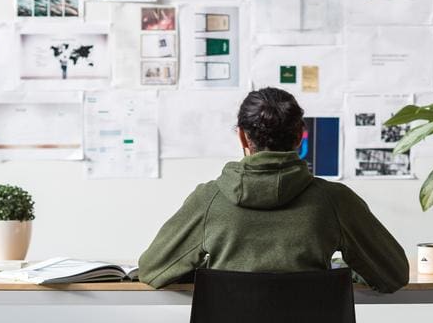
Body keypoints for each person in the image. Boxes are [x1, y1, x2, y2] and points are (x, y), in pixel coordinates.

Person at [138, 87, 409, 293]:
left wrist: (211, 272)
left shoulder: (209, 199)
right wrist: (338, 272)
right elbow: (393, 275)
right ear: (301, 135)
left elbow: (153, 270)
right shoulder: (335, 201)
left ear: (243, 136)